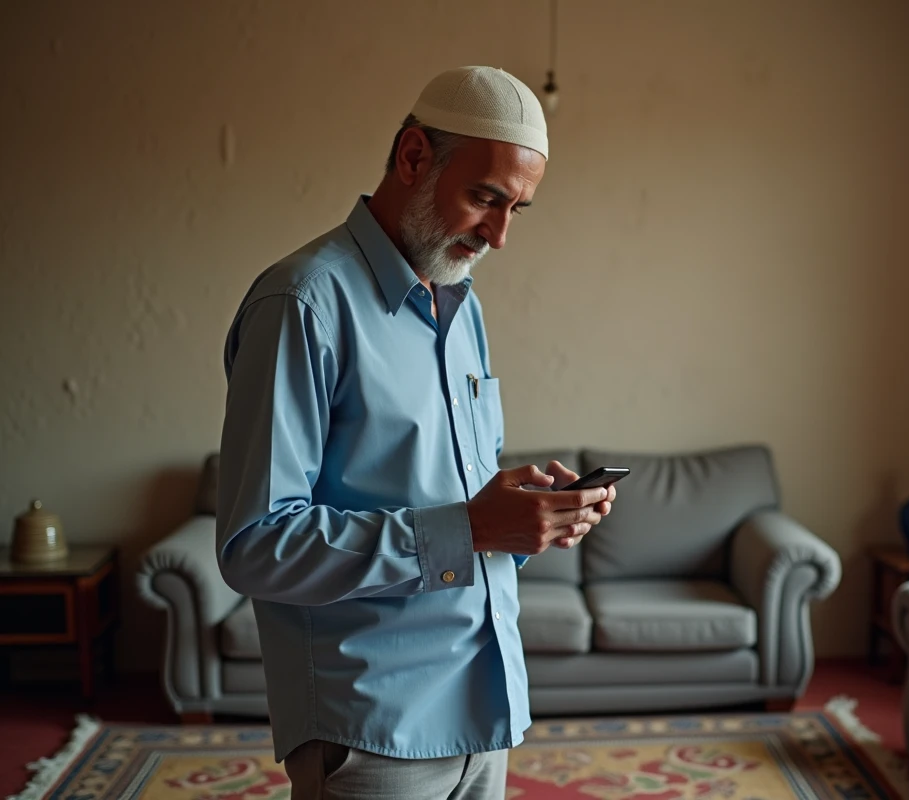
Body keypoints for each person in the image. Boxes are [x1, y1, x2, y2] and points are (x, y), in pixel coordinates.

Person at [215, 65, 617, 800]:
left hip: (483, 711)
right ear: (411, 158)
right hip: (371, 733)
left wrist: (528, 520)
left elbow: (461, 514)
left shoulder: (463, 309)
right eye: (485, 198)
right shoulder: (301, 305)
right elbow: (256, 547)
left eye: (517, 210)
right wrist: (468, 529)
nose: (498, 235)